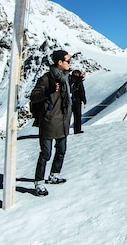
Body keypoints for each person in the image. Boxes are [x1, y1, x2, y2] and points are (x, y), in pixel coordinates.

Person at [31, 49, 73, 197]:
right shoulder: (46, 79)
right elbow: (34, 96)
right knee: (46, 153)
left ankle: (54, 174)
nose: (70, 63)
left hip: (62, 120)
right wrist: (47, 91)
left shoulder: (66, 78)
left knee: (61, 151)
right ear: (59, 62)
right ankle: (39, 182)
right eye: (67, 61)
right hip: (48, 121)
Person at [69, 69, 87, 134]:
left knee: (68, 116)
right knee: (78, 116)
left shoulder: (69, 80)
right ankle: (77, 130)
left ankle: (65, 130)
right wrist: (84, 101)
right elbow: (82, 92)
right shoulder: (79, 81)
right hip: (77, 101)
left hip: (70, 100)